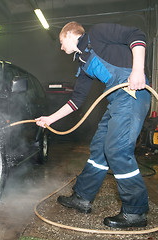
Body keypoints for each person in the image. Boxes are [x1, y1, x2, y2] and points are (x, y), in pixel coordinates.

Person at [35, 21, 151, 228]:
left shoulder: (98, 33)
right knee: (100, 148)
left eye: (61, 42)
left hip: (133, 93)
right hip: (116, 99)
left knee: (117, 150)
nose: (61, 48)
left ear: (70, 34)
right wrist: (49, 119)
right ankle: (82, 197)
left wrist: (138, 71)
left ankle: (135, 211)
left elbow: (136, 34)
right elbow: (76, 101)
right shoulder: (83, 63)